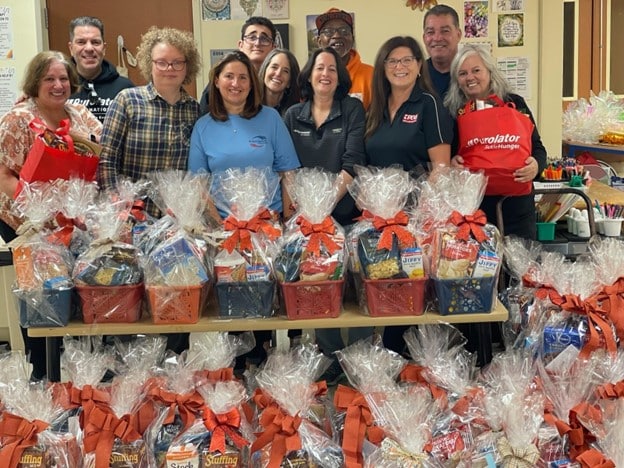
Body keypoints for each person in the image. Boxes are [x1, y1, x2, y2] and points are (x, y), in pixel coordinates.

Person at [189, 51, 300, 368]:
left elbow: (288, 172)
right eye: (228, 77)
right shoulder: (203, 127)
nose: (235, 83)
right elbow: (199, 183)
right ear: (217, 82)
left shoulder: (270, 118)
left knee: (266, 308)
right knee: (233, 309)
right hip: (225, 233)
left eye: (242, 77)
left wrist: (287, 220)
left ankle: (269, 376)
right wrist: (219, 225)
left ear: (252, 84)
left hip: (266, 229)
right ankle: (235, 379)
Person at [0, 51, 102, 378]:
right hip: (26, 224)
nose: (58, 86)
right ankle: (43, 373)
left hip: (71, 226)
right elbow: (3, 174)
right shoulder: (17, 119)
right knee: (41, 301)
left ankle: (79, 374)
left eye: (63, 79)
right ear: (35, 83)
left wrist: (79, 139)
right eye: (49, 79)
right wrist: (37, 211)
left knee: (71, 298)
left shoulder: (81, 115)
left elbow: (100, 152)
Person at [283, 47, 369, 382]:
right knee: (319, 285)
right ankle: (330, 359)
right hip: (307, 220)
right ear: (309, 74)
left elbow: (352, 162)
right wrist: (308, 213)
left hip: (346, 213)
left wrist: (324, 207)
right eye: (319, 67)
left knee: (355, 287)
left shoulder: (352, 109)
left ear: (340, 76)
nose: (325, 74)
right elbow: (288, 167)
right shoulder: (293, 115)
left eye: (332, 69)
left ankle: (360, 360)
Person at [365, 36, 454, 355]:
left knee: (410, 301)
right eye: (392, 61)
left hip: (415, 221)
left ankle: (412, 373)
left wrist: (419, 218)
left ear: (419, 66)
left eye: (407, 60)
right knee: (386, 295)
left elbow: (441, 167)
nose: (399, 67)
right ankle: (392, 371)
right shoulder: (375, 106)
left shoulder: (428, 104)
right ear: (382, 67)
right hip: (380, 221)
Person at [445, 44, 547, 239]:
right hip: (474, 211)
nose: (470, 78)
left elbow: (538, 147)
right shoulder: (452, 111)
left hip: (517, 207)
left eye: (476, 70)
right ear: (457, 80)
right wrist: (452, 162)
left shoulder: (515, 103)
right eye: (463, 73)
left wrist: (536, 166)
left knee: (521, 267)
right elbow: (446, 153)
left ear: (490, 72)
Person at [97, 26, 201, 218]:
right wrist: (116, 204)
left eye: (177, 62)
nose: (169, 69)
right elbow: (106, 159)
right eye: (161, 62)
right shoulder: (127, 101)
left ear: (187, 66)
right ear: (149, 63)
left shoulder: (195, 109)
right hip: (132, 217)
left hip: (176, 221)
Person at [199, 16, 277, 115]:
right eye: (252, 37)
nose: (257, 43)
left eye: (264, 38)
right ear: (241, 45)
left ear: (273, 48)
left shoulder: (276, 80)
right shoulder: (222, 84)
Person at [66, 16, 134, 123]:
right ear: (71, 48)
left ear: (104, 48)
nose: (89, 48)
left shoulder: (125, 88)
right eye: (81, 42)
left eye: (95, 42)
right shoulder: (60, 87)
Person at [315, 7, 373, 110]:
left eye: (344, 30)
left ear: (352, 39)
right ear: (319, 41)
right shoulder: (311, 77)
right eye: (328, 31)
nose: (337, 35)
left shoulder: (372, 75)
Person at [422, 4, 462, 99]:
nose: (437, 38)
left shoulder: (473, 74)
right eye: (430, 32)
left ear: (458, 35)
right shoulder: (416, 76)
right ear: (424, 38)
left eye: (445, 31)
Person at [258, 48, 301, 116]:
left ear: (289, 82)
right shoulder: (248, 104)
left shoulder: (294, 114)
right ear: (265, 70)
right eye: (274, 67)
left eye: (285, 71)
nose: (278, 73)